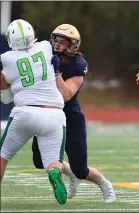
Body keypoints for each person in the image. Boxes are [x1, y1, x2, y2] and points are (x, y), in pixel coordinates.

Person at [31, 24, 116, 203]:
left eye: (63, 42)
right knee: (40, 162)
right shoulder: (43, 55)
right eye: (56, 40)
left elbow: (67, 95)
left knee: (81, 170)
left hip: (70, 117)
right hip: (46, 115)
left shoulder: (78, 64)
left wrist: (56, 72)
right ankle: (70, 173)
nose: (58, 45)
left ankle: (104, 184)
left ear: (73, 45)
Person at [0, 19, 67, 205]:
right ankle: (54, 173)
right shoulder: (46, 46)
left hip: (25, 112)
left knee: (2, 155)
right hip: (55, 113)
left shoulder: (5, 59)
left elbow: (5, 96)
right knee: (54, 162)